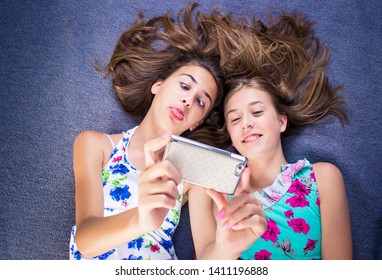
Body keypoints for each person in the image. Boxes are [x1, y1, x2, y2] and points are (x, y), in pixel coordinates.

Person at [69, 3, 266, 260]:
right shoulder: (96, 145)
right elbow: (85, 241)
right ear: (158, 86)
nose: (188, 100)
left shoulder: (193, 177)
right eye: (185, 86)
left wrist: (227, 249)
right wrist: (141, 219)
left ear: (196, 122)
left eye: (200, 102)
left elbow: (207, 259)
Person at [189, 10, 352, 260]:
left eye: (256, 111)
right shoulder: (210, 190)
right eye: (235, 118)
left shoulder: (323, 178)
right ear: (230, 134)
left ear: (281, 121)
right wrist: (224, 248)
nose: (246, 123)